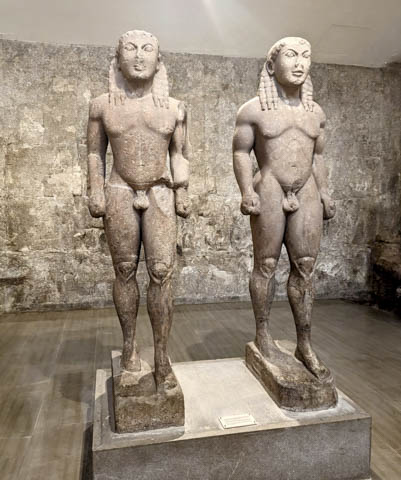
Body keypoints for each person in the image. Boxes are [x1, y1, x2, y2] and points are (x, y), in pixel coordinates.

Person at [87, 30, 190, 391]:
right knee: (125, 270)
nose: (139, 56)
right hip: (119, 189)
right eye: (130, 49)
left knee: (161, 272)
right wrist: (95, 189)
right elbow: (95, 152)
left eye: (147, 50)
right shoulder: (102, 105)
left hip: (160, 191)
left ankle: (161, 355)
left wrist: (182, 190)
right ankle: (129, 347)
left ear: (158, 62)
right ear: (117, 60)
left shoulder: (174, 107)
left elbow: (179, 153)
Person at [233, 37, 335, 380]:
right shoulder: (253, 110)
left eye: (306, 56)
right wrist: (247, 190)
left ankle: (304, 343)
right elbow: (240, 152)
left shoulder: (315, 113)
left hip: (306, 189)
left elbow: (318, 157)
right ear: (271, 65)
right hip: (270, 185)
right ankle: (263, 333)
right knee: (266, 264)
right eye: (291, 55)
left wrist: (325, 192)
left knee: (305, 266)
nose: (300, 62)